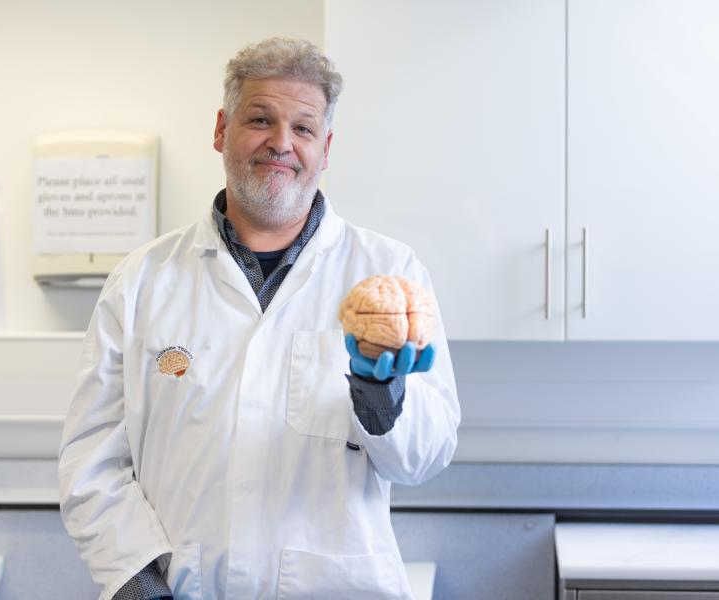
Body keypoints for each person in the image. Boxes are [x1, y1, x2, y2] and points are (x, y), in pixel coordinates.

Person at [58, 37, 460, 600]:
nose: (280, 143)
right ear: (222, 130)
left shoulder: (389, 272)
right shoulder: (142, 280)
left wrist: (381, 392)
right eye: (260, 119)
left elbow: (425, 458)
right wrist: (140, 586)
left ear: (326, 146)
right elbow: (91, 458)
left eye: (302, 128)